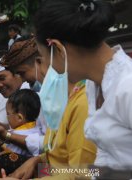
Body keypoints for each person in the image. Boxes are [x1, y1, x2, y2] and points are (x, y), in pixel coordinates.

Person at [34, 0, 132, 178]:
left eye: (43, 57)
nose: (46, 68)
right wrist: (38, 167)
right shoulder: (93, 86)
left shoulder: (127, 88)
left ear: (58, 48)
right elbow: (101, 167)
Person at [0, 37, 96, 179]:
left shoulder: (82, 103)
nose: (25, 80)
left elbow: (85, 174)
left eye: (22, 73)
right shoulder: (62, 101)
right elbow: (56, 159)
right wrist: (36, 162)